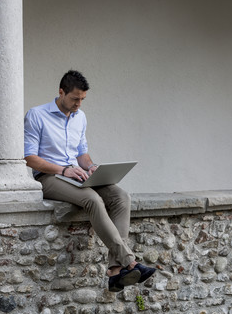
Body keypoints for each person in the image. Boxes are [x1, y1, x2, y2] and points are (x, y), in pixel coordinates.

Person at [24, 69, 155, 292]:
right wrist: (64, 170)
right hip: (48, 178)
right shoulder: (36, 115)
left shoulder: (80, 118)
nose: (79, 104)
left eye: (82, 99)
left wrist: (91, 167)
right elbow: (30, 158)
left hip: (76, 173)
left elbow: (82, 154)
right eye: (75, 99)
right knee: (92, 199)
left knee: (121, 196)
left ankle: (115, 271)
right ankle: (129, 262)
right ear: (61, 92)